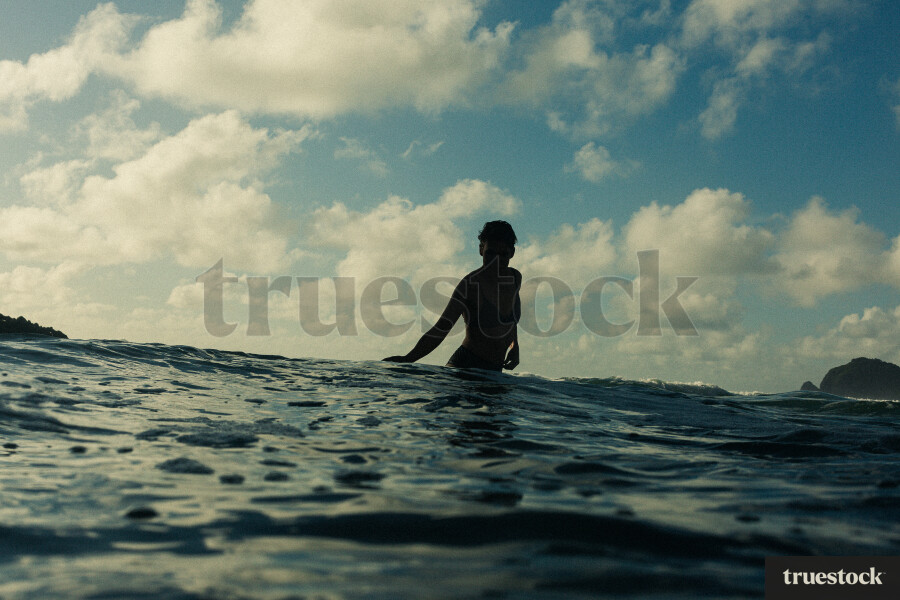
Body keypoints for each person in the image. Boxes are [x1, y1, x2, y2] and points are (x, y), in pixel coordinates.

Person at [383, 221, 521, 372]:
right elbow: (441, 328)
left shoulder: (514, 278)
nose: (496, 261)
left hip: (494, 372)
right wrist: (408, 359)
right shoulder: (469, 286)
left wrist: (515, 347)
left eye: (503, 255)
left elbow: (510, 322)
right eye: (490, 253)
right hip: (466, 368)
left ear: (512, 253)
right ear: (481, 249)